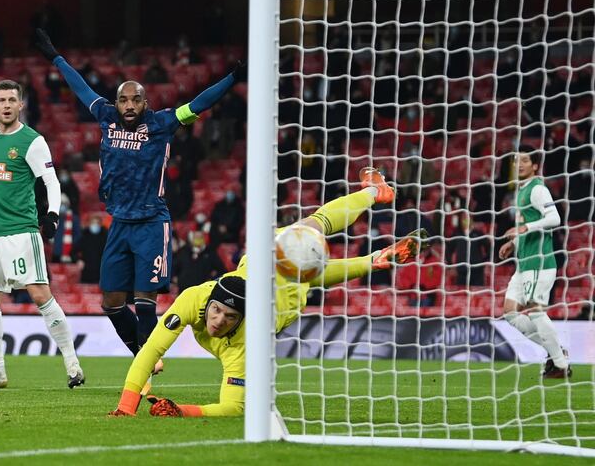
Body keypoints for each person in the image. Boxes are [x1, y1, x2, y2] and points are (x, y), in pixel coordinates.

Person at [110, 168, 426, 417]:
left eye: (229, 317)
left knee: (311, 233)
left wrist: (183, 412)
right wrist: (125, 407)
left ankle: (374, 197)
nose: (218, 321)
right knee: (312, 235)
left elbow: (234, 408)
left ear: (243, 318)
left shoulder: (248, 340)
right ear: (209, 301)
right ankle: (374, 244)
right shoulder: (195, 298)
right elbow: (151, 350)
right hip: (260, 265)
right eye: (217, 311)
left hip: (285, 292)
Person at [35, 28, 244, 365]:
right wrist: (55, 57)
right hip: (119, 222)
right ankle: (144, 354)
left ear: (146, 103)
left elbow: (201, 102)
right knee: (112, 302)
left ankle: (145, 365)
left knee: (146, 298)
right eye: (123, 99)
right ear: (116, 103)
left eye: (136, 100)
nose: (129, 105)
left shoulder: (162, 123)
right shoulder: (105, 116)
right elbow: (80, 87)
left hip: (151, 222)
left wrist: (233, 77)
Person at [0, 79, 84, 389]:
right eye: (1, 100)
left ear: (20, 105)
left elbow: (51, 182)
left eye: (12, 100)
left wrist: (52, 214)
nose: (6, 105)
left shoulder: (32, 140)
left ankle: (72, 364)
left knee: (40, 294)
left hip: (21, 232)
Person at [499, 145, 570, 379]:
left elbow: (554, 218)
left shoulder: (538, 189)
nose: (519, 164)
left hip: (540, 261)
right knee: (510, 313)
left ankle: (560, 365)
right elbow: (528, 226)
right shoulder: (521, 191)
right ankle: (556, 352)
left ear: (535, 165)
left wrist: (525, 227)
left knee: (536, 312)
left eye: (525, 160)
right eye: (517, 160)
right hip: (523, 262)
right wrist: (515, 243)